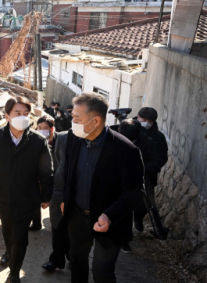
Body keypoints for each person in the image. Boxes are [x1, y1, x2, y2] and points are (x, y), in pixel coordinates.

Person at [60, 92, 144, 283]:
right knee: (77, 262)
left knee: (102, 272)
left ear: (95, 120)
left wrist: (109, 216)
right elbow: (68, 172)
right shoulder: (74, 138)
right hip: (77, 216)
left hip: (108, 223)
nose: (72, 121)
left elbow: (134, 193)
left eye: (76, 117)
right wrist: (66, 199)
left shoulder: (126, 150)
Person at [0, 97, 54, 283]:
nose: (23, 117)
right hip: (2, 196)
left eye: (26, 114)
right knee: (7, 230)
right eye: (17, 113)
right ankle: (8, 251)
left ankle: (14, 272)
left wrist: (46, 197)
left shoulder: (38, 141)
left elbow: (46, 171)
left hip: (28, 199)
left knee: (21, 238)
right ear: (7, 116)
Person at [117, 119, 161, 253]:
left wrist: (139, 168)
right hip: (116, 179)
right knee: (120, 210)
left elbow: (156, 162)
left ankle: (127, 235)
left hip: (137, 180)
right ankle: (120, 239)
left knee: (138, 208)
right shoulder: (112, 138)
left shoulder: (147, 143)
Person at [135, 107, 168, 232]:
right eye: (144, 119)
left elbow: (162, 157)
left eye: (150, 120)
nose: (146, 122)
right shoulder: (128, 129)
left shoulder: (158, 137)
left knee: (145, 204)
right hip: (127, 174)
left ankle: (138, 218)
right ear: (138, 117)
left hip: (147, 175)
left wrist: (147, 168)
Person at [42, 130, 70, 271]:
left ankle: (73, 258)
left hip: (79, 194)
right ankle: (56, 260)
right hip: (58, 192)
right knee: (57, 228)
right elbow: (56, 163)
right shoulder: (63, 137)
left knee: (73, 230)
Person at [30, 115, 58, 231]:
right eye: (39, 127)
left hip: (55, 175)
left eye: (45, 127)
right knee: (35, 200)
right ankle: (36, 223)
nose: (42, 130)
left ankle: (55, 224)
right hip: (39, 175)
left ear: (51, 129)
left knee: (53, 200)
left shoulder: (58, 141)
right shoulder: (35, 141)